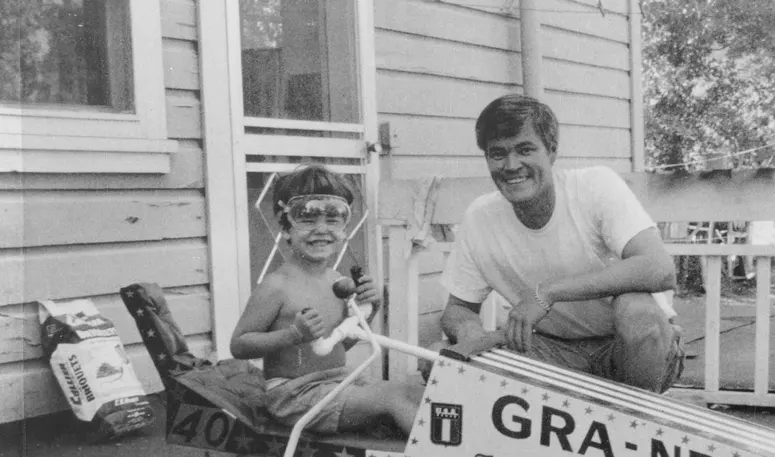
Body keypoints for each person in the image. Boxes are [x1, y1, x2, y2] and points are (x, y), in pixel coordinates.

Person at [439, 94, 684, 394]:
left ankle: (635, 427)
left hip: (627, 347)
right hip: (550, 351)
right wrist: (473, 337)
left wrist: (547, 293)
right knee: (439, 360)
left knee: (639, 315)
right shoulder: (479, 217)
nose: (511, 165)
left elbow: (659, 268)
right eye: (498, 154)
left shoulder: (594, 186)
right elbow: (457, 309)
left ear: (551, 151)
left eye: (525, 150)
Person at [230, 165, 423, 437]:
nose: (321, 230)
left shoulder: (336, 280)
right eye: (307, 219)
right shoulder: (278, 286)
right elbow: (239, 345)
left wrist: (369, 310)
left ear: (344, 227)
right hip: (294, 394)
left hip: (337, 381)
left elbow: (341, 343)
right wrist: (292, 334)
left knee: (415, 390)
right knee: (392, 396)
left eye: (333, 219)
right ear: (285, 227)